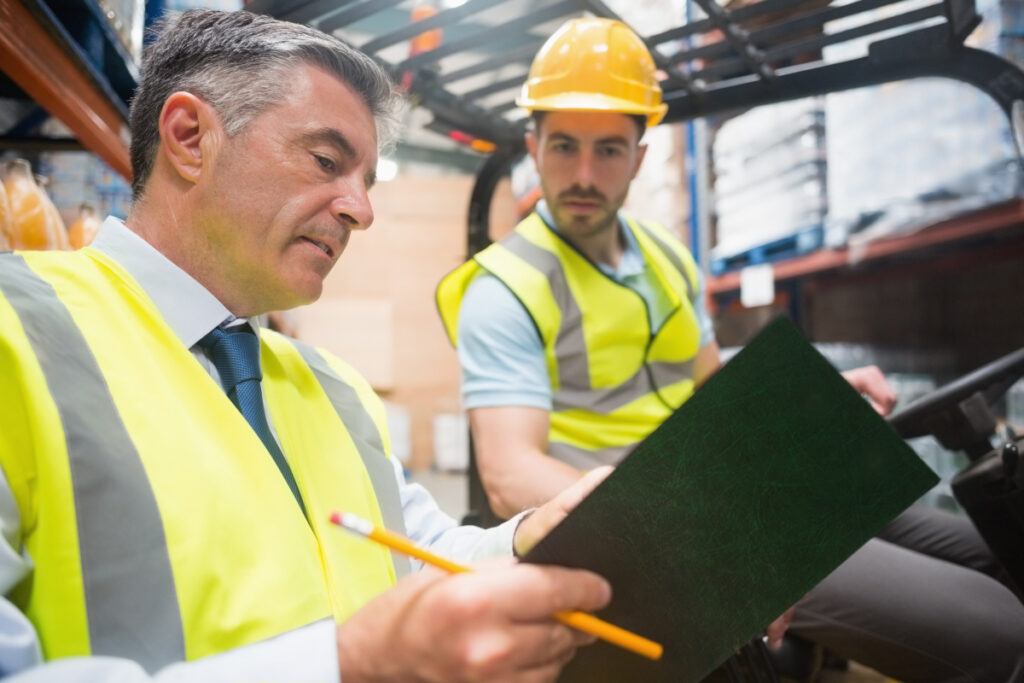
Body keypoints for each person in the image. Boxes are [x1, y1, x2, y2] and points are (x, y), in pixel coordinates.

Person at [0, 10, 618, 682]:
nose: (361, 209)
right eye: (327, 161)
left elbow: (420, 551)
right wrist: (349, 665)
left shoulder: (333, 389)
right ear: (188, 137)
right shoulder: (17, 332)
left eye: (367, 181)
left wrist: (525, 536)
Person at [436, 16, 1024, 682]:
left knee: (991, 547)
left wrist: (813, 396)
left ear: (641, 155)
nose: (582, 173)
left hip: (723, 488)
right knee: (997, 631)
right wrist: (676, 540)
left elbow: (710, 391)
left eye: (607, 150)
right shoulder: (505, 285)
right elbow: (511, 471)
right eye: (564, 145)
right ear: (532, 146)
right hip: (665, 528)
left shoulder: (668, 259)